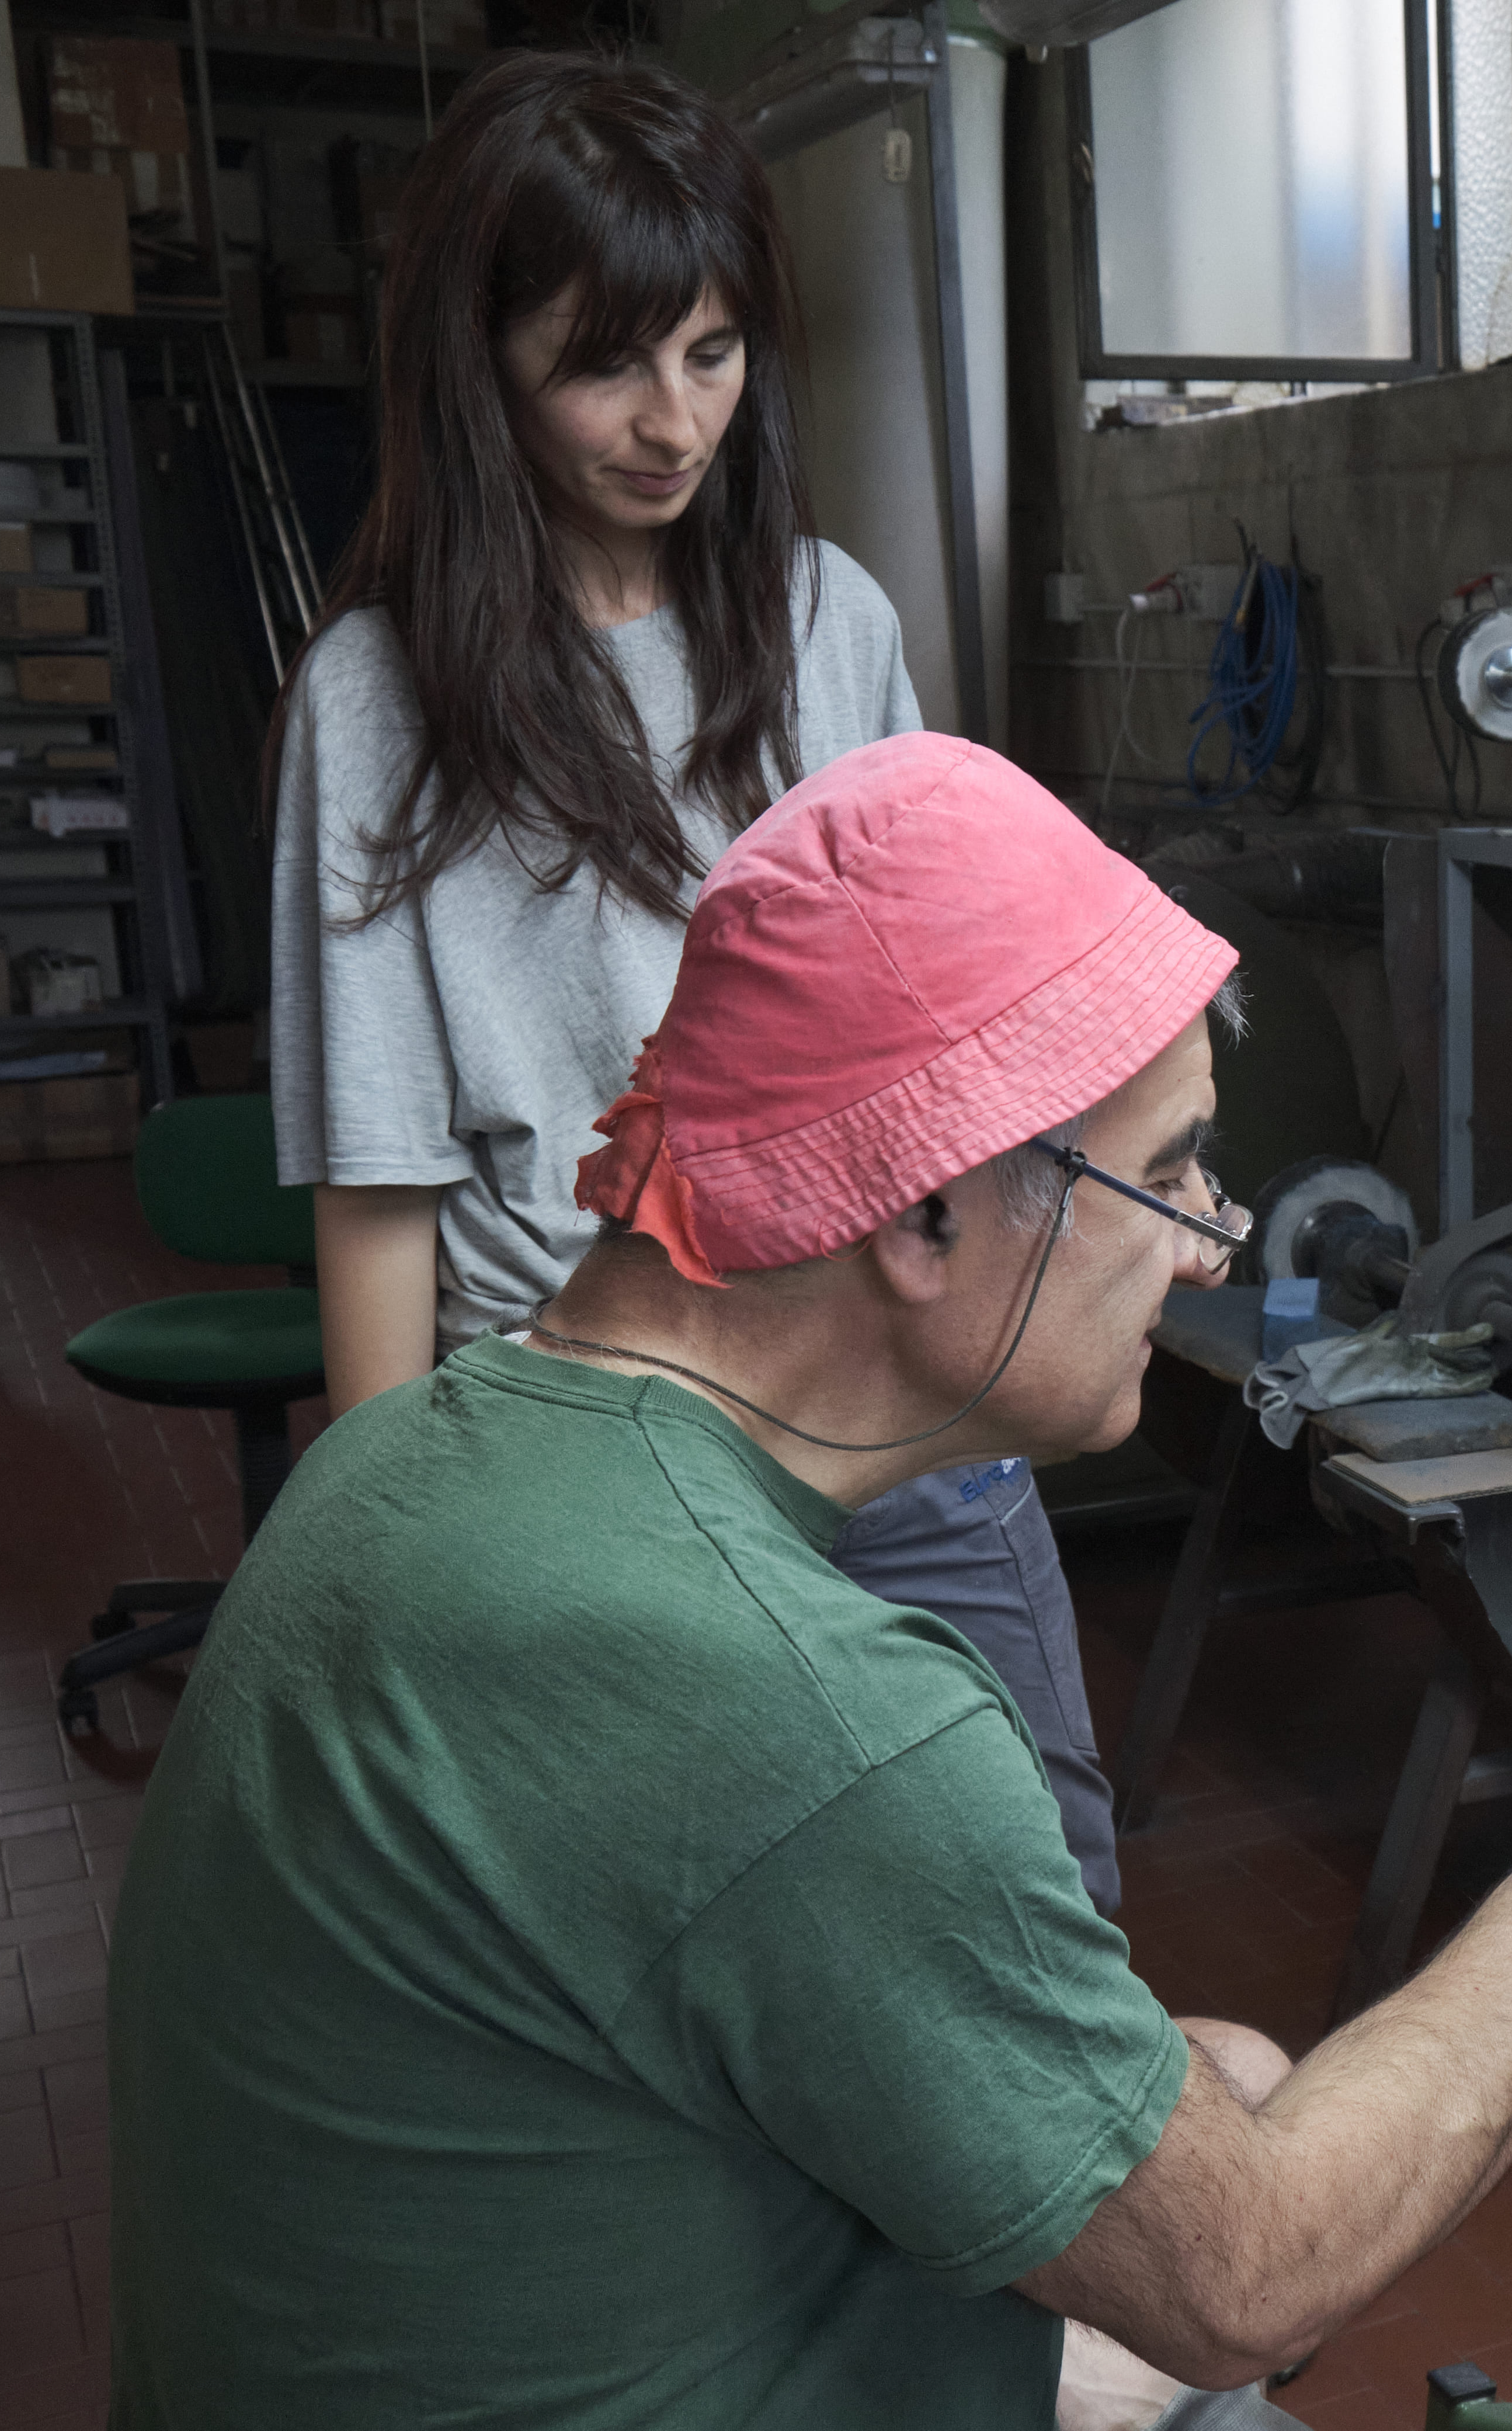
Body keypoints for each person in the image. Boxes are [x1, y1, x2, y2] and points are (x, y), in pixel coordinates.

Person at [109, 734, 1512, 2429]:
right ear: (923, 1211)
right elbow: (1253, 2283)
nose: (1219, 1234)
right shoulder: (798, 1706)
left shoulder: (413, 1460)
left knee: (1205, 2072)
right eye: (1171, 1171)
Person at [263, 52, 1126, 1908]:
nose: (672, 423)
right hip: (596, 1453)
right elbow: (378, 1173)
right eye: (603, 362)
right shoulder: (376, 694)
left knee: (1031, 1887)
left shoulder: (832, 624)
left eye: (714, 354)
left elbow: (949, 1051)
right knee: (676, 1939)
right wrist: (382, 1567)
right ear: (478, 359)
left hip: (896, 1402)